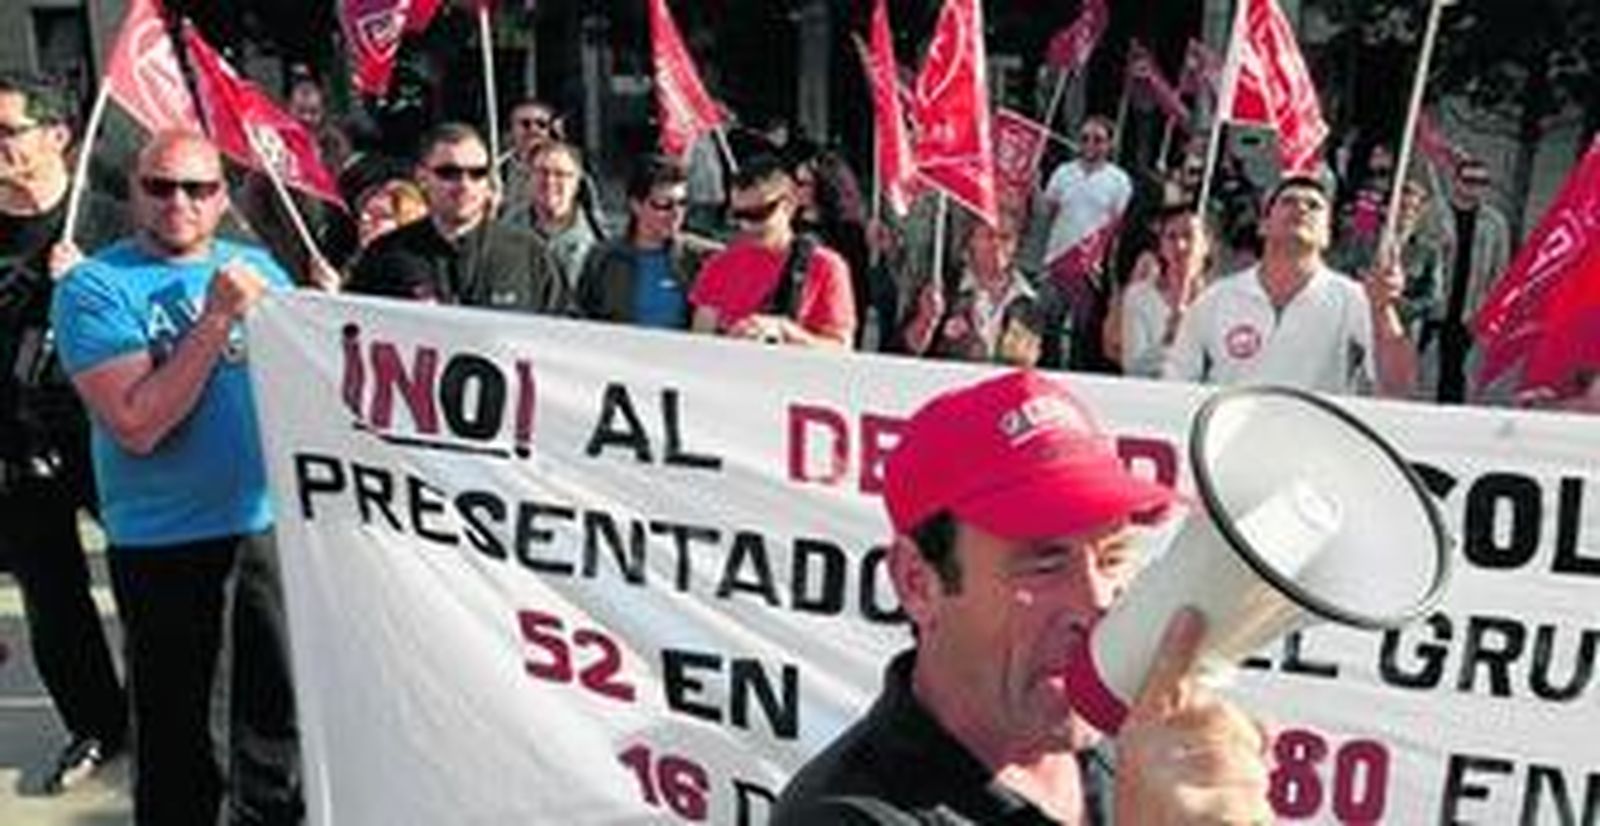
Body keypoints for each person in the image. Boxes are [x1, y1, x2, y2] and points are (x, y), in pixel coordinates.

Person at [772, 370, 1273, 825]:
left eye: (1113, 556)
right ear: (917, 584)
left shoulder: (1133, 753)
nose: (1095, 604)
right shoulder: (844, 815)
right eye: (1044, 563)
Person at [50, 129, 303, 825]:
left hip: (264, 534)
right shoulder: (94, 287)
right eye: (159, 186)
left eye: (197, 187)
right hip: (165, 546)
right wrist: (218, 316)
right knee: (180, 748)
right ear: (133, 193)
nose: (178, 202)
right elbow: (136, 421)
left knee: (273, 734)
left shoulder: (260, 269)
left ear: (223, 197)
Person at [0, 69, 128, 794]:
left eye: (7, 131)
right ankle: (95, 725)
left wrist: (91, 288)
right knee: (53, 605)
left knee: (148, 588)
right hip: (15, 450)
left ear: (57, 136)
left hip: (111, 435)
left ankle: (166, 711)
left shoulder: (109, 225)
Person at [1164, 176, 1418, 398]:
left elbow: (1397, 387)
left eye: (1314, 206)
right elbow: (1177, 384)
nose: (1301, 208)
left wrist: (1383, 309)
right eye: (1288, 201)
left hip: (1312, 446)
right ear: (1263, 226)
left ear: (1326, 235)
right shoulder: (1215, 299)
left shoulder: (1354, 299)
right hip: (1224, 447)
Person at [347, 122, 567, 312]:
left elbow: (566, 335)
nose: (464, 185)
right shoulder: (384, 257)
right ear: (422, 178)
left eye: (477, 173)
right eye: (449, 173)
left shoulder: (528, 254)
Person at [689, 155, 855, 348]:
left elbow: (842, 348)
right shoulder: (719, 263)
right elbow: (701, 342)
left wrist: (785, 332)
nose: (746, 225)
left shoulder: (827, 266)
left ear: (789, 204)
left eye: (758, 214)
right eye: (738, 215)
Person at [575, 154, 719, 328]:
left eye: (682, 203)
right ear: (636, 205)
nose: (676, 214)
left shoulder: (702, 258)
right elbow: (580, 319)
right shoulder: (603, 259)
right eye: (664, 205)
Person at [1037, 116, 1132, 371]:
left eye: (1098, 139)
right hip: (1057, 260)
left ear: (1109, 144)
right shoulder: (1063, 172)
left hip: (1091, 268)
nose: (1090, 144)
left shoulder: (1119, 180)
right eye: (1085, 138)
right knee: (1049, 327)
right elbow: (1049, 212)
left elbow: (1119, 225)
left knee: (1083, 331)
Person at [901, 213, 1050, 367]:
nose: (996, 244)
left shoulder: (1034, 299)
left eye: (1005, 237)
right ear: (970, 240)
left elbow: (1051, 367)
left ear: (1016, 244)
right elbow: (905, 352)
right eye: (988, 236)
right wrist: (925, 321)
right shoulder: (943, 287)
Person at [1433, 156, 1512, 403]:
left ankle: (1448, 415)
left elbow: (1500, 269)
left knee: (1453, 368)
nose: (1474, 186)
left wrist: (1492, 308)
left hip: (1469, 305)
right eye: (1468, 180)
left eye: (1481, 181)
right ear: (1455, 181)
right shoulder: (1435, 213)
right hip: (1432, 301)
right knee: (1413, 360)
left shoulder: (1495, 222)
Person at [1113, 204, 1212, 379]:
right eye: (1171, 237)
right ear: (1161, 245)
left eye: (1189, 236)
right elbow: (1132, 367)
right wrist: (1168, 338)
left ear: (1205, 244)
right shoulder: (1139, 296)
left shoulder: (1219, 300)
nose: (1180, 246)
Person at [511, 140, 604, 293]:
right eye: (542, 171)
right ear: (529, 177)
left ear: (576, 182)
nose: (549, 181)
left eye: (560, 174)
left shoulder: (597, 247)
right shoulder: (505, 230)